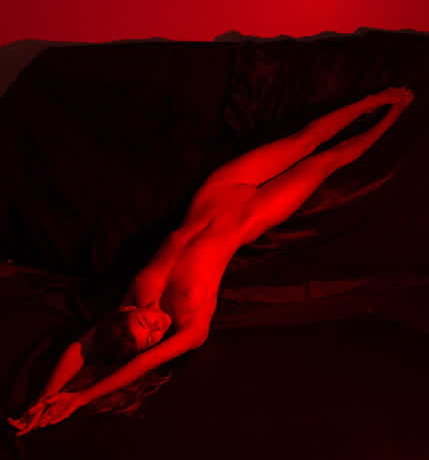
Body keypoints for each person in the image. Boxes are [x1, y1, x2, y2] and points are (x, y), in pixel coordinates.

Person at [8, 86, 414, 435]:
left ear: (127, 309)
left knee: (303, 139)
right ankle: (393, 116)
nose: (155, 323)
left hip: (219, 189)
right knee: (324, 162)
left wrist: (46, 397)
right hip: (254, 213)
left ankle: (375, 100)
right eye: (152, 335)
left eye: (143, 320)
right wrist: (80, 399)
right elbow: (135, 367)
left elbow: (80, 347)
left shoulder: (134, 299)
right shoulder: (190, 328)